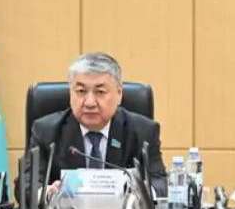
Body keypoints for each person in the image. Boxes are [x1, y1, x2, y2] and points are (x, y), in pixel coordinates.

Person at [24, 52, 167, 195]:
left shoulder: (143, 131)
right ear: (70, 93)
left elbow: (160, 184)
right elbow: (26, 185)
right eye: (81, 91)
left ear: (119, 94)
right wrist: (46, 193)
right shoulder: (46, 131)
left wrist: (141, 192)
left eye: (100, 92)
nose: (90, 102)